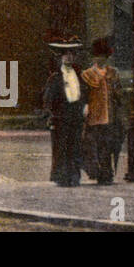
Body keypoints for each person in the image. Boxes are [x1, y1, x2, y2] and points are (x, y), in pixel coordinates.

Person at [43, 37, 87, 187]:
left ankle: (74, 176)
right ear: (61, 57)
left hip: (76, 114)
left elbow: (83, 93)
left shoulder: (78, 75)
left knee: (75, 146)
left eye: (71, 54)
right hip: (61, 116)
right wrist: (52, 116)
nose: (69, 57)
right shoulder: (55, 78)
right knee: (61, 147)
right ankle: (62, 176)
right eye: (66, 54)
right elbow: (49, 99)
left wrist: (84, 106)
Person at [81, 38, 123, 185]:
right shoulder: (87, 74)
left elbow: (119, 94)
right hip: (94, 115)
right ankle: (96, 171)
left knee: (108, 146)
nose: (100, 59)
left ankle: (106, 174)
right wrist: (85, 106)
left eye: (103, 56)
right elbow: (84, 95)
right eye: (98, 56)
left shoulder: (113, 73)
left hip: (110, 115)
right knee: (94, 145)